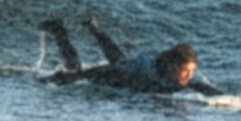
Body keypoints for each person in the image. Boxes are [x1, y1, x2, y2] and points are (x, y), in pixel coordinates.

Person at [39, 19, 205, 94]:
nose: (189, 76)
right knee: (73, 70)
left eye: (192, 71)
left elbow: (196, 86)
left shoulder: (173, 74)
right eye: (186, 71)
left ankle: (96, 30)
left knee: (119, 59)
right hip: (109, 74)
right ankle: (58, 30)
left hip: (125, 67)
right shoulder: (149, 74)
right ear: (172, 66)